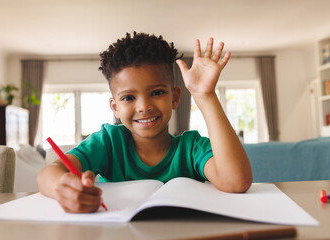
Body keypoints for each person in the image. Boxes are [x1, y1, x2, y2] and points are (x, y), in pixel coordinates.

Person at [37, 32, 253, 213]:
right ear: (115, 108)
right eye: (128, 98)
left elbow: (236, 182)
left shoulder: (191, 147)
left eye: (157, 92)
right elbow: (48, 174)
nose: (143, 106)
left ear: (175, 97)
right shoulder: (108, 142)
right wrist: (64, 188)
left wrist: (205, 95)